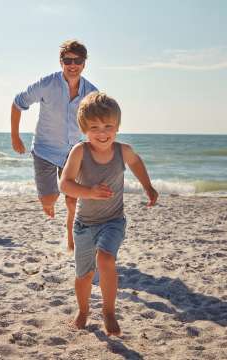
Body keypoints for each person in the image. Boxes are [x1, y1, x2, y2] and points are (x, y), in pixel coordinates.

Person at [59, 92, 158, 336]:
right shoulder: (79, 152)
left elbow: (136, 163)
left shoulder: (122, 151)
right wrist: (88, 192)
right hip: (84, 225)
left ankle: (109, 311)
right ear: (84, 129)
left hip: (113, 221)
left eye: (108, 126)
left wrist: (147, 186)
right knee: (84, 275)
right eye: (94, 128)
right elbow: (65, 184)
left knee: (106, 260)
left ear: (117, 126)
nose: (102, 133)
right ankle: (83, 311)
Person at [11, 40, 98, 251]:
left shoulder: (92, 93)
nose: (72, 65)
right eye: (68, 60)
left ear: (84, 63)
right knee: (50, 199)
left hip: (74, 151)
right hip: (45, 150)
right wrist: (15, 137)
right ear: (61, 62)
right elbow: (17, 103)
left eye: (77, 60)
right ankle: (47, 201)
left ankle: (71, 243)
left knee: (73, 201)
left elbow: (100, 121)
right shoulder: (46, 84)